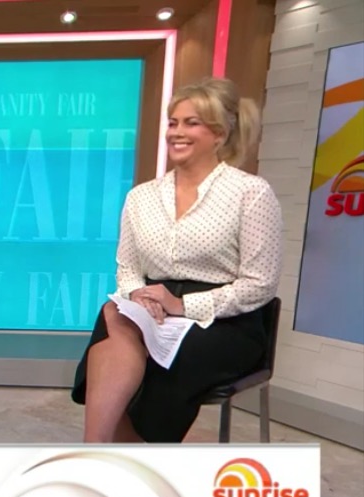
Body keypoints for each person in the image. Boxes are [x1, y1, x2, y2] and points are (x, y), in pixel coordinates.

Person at [71, 77, 283, 443]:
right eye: (173, 122)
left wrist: (183, 306)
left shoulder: (250, 192)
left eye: (191, 123)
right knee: (113, 318)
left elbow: (259, 284)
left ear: (219, 134)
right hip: (153, 308)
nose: (176, 132)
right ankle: (95, 450)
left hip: (224, 321)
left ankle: (131, 456)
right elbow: (128, 267)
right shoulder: (141, 197)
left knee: (166, 361)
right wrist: (139, 296)